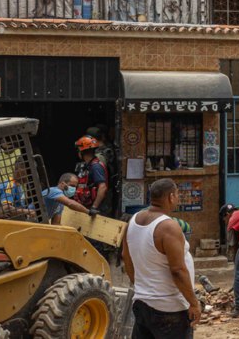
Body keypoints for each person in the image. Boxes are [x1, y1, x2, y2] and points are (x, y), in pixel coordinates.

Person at [122, 178, 200, 339]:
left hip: (142, 303)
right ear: (171, 197)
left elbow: (126, 257)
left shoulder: (133, 220)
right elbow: (178, 270)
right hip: (169, 309)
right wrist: (193, 303)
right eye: (177, 194)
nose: (178, 198)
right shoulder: (168, 226)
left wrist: (140, 286)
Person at [73, 136, 110, 216]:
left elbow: (102, 187)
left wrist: (94, 207)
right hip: (88, 205)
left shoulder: (96, 166)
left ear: (81, 152)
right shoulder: (87, 165)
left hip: (97, 208)